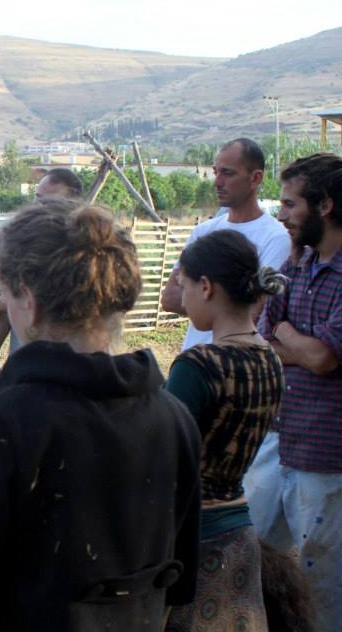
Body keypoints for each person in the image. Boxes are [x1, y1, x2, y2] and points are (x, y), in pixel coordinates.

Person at [0, 200, 202, 631]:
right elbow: (180, 581)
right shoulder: (175, 417)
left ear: (28, 300)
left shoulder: (7, 422)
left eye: (6, 293)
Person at [163, 229, 286, 632]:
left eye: (184, 287)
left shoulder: (199, 366)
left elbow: (159, 455)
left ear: (206, 286)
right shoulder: (270, 358)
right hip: (241, 536)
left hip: (190, 540)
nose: (182, 300)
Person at [244, 152, 342, 632]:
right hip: (278, 439)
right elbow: (264, 339)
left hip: (327, 456)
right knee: (254, 563)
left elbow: (326, 359)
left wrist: (287, 333)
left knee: (324, 590)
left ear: (323, 206)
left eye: (289, 203)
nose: (280, 213)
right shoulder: (296, 263)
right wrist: (294, 336)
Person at [161, 138, 290, 351]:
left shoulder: (276, 238)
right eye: (216, 172)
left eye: (228, 173)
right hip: (192, 357)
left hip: (234, 363)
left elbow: (258, 310)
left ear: (256, 178)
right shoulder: (203, 231)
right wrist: (230, 305)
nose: (217, 182)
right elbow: (170, 298)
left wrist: (197, 295)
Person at [0, 168, 83, 396]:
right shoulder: (24, 246)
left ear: (73, 204)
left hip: (68, 379)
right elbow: (5, 308)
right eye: (38, 198)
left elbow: (72, 306)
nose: (38, 207)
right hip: (22, 372)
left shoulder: (82, 252)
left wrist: (4, 303)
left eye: (49, 201)